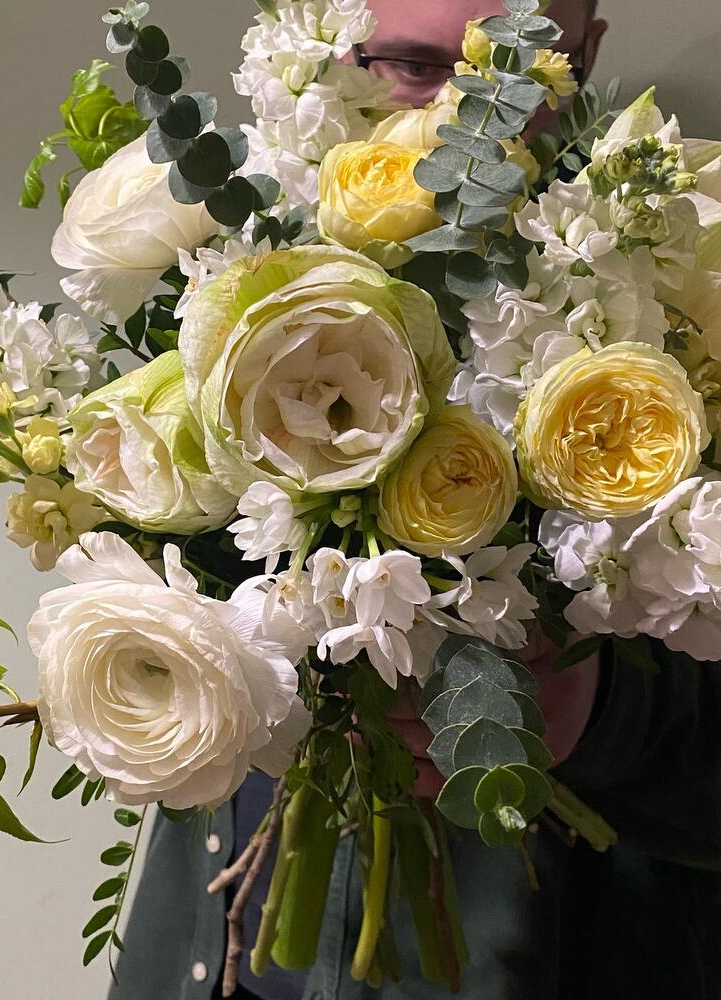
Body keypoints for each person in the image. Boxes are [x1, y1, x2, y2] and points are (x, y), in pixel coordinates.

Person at [108, 3, 721, 998]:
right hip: (209, 956)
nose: (466, 122)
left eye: (519, 71)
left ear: (589, 52)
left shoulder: (679, 282)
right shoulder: (224, 244)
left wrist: (603, 712)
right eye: (414, 66)